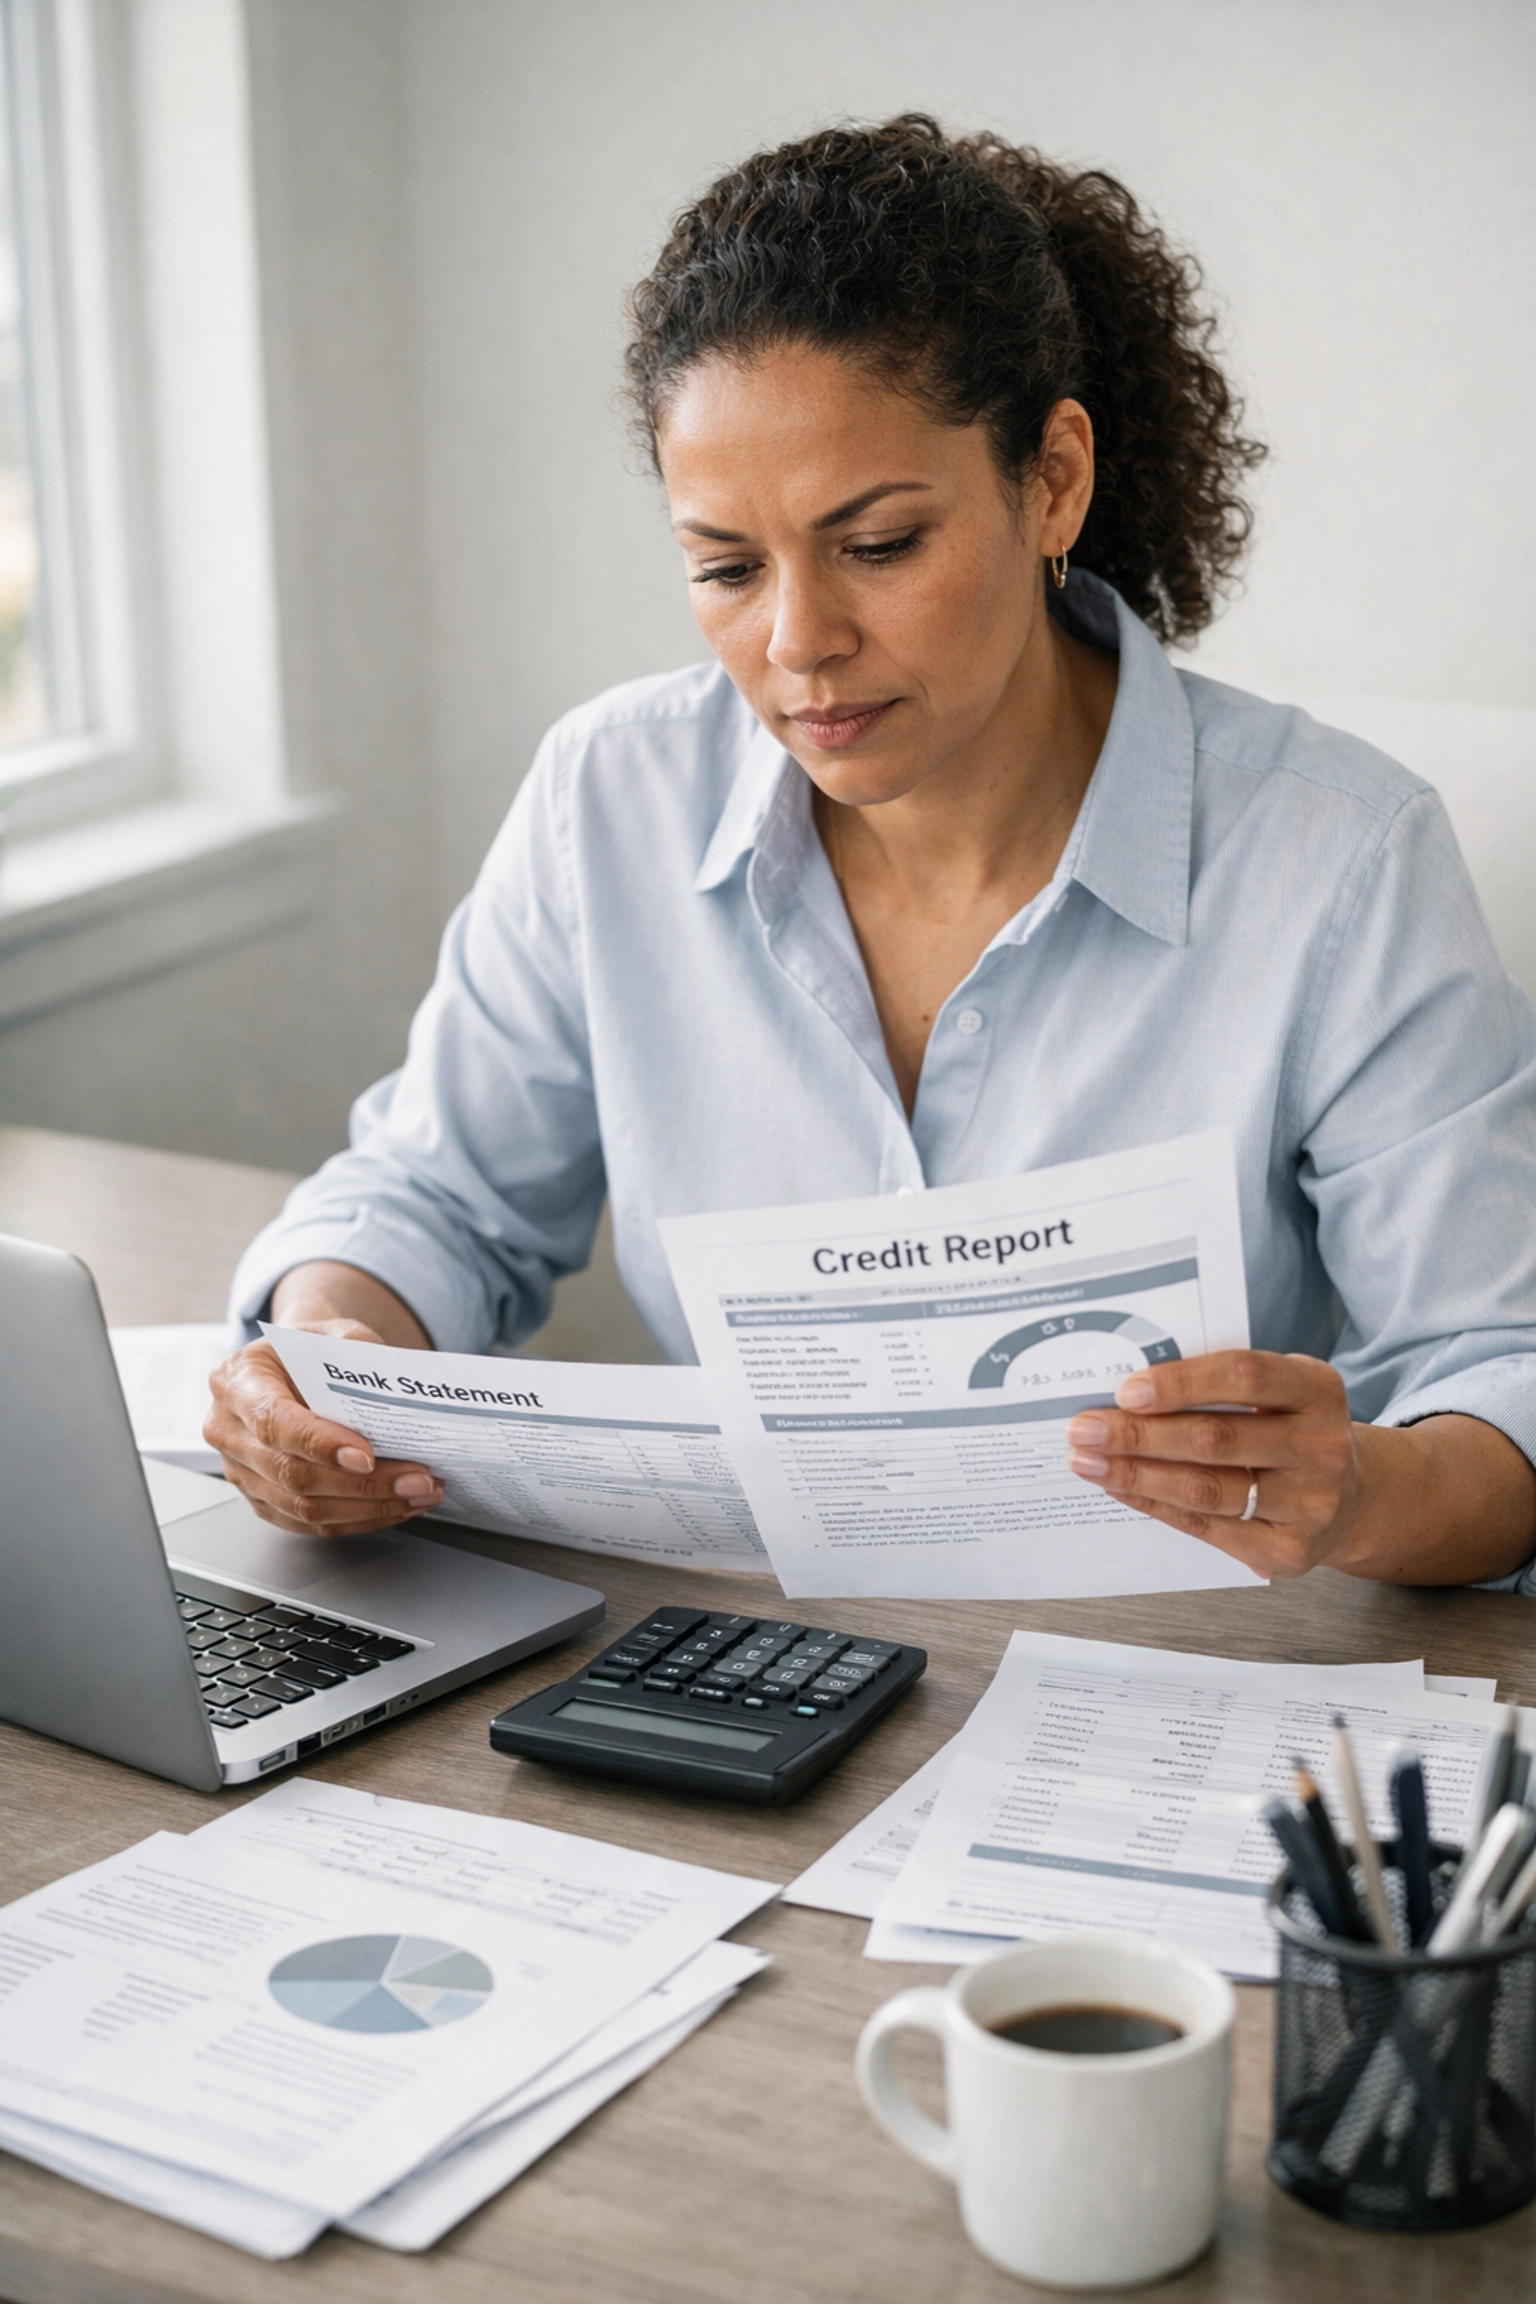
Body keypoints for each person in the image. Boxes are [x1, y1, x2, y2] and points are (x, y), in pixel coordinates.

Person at [209, 115, 1536, 1590]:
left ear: (1054, 481)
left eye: (881, 544)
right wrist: (321, 1353)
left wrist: (1359, 1488)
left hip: (1184, 1685)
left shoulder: (1341, 858)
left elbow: (1503, 1378)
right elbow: (432, 1201)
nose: (796, 645)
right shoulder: (612, 796)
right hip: (752, 1665)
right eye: (724, 566)